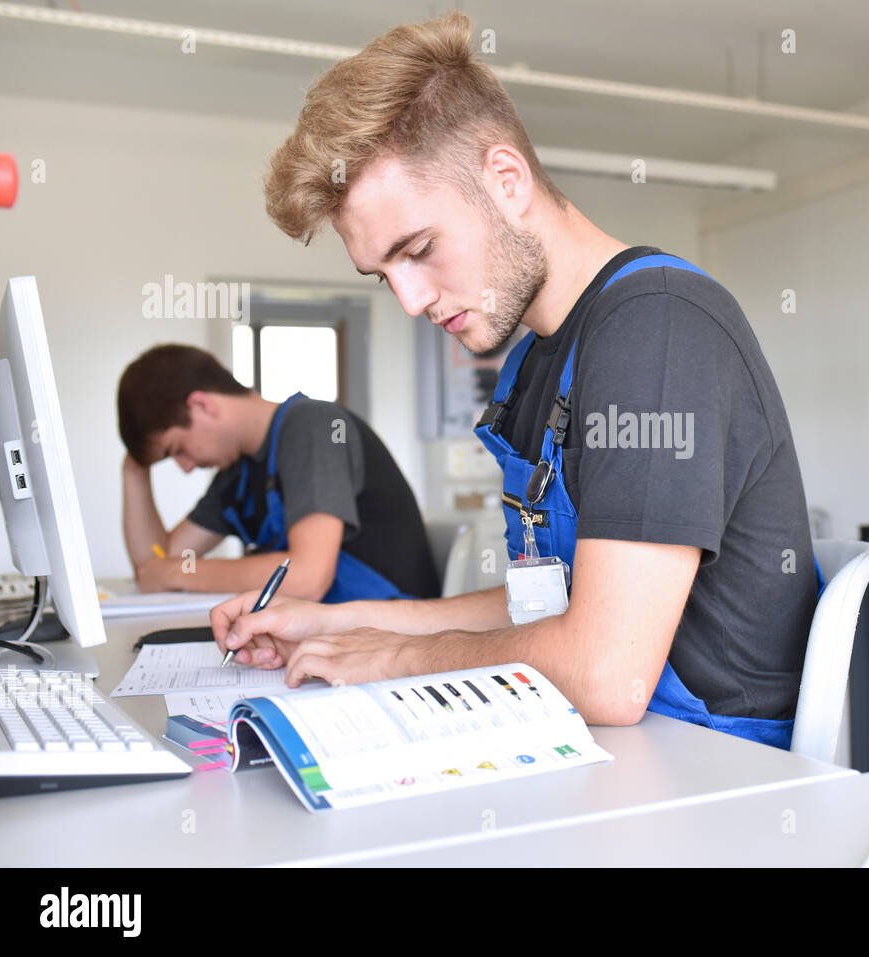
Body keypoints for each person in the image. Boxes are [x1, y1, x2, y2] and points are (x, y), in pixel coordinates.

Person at [211, 13, 818, 745]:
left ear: (505, 180)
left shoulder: (657, 329)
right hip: (610, 744)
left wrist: (397, 658)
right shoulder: (535, 359)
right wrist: (335, 623)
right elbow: (544, 613)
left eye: (420, 249)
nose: (409, 300)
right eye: (383, 274)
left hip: (710, 763)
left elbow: (602, 670)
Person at [118, 343, 441, 603]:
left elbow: (307, 578)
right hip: (325, 630)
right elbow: (153, 566)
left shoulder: (316, 427)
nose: (186, 467)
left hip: (390, 633)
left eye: (177, 449)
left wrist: (178, 573)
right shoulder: (236, 474)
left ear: (202, 405)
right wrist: (134, 470)